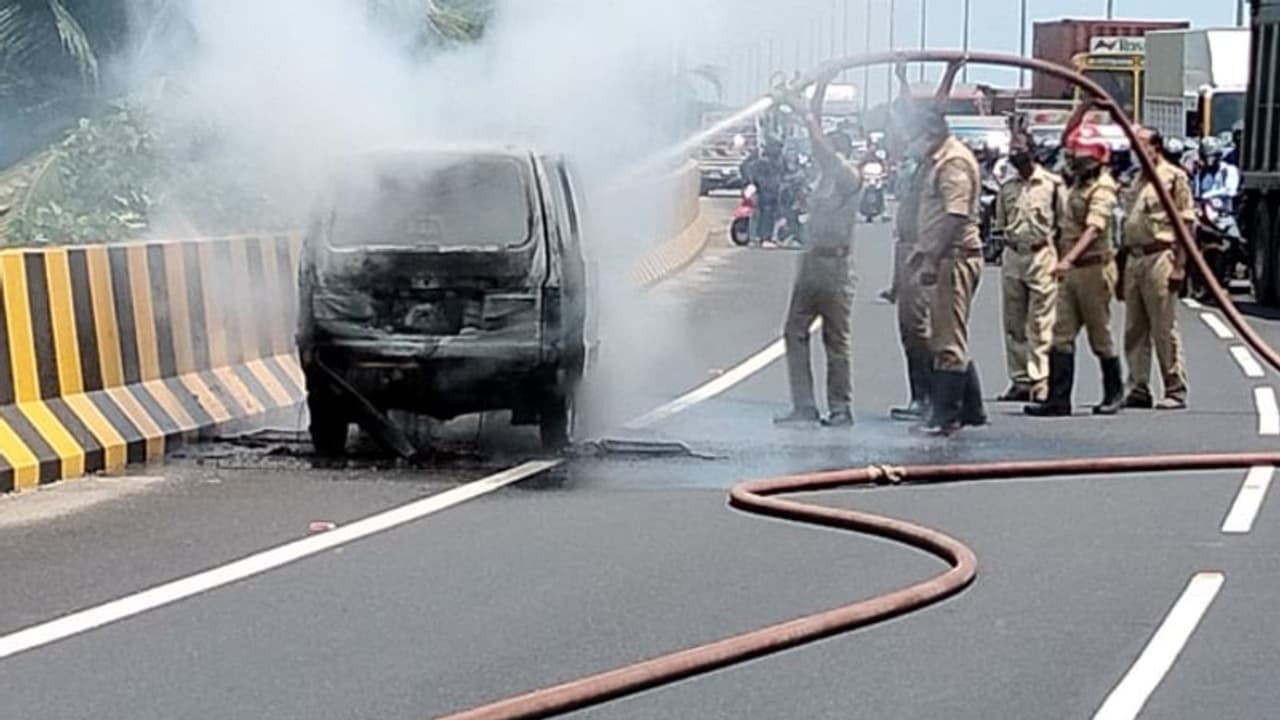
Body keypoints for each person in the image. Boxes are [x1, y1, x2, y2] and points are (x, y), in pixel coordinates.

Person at [773, 93, 863, 428]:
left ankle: (840, 407)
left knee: (835, 339)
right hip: (811, 263)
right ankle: (804, 406)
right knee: (794, 332)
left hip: (836, 267)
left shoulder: (848, 175)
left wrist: (808, 117)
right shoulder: (822, 180)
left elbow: (824, 152)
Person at [1025, 123, 1124, 417]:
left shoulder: (1102, 188)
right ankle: (1058, 399)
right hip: (1070, 271)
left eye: (1079, 159)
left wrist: (1068, 258)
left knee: (1099, 334)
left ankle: (1113, 393)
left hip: (1093, 269)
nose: (1073, 164)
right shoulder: (1077, 185)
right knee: (1060, 333)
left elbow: (1094, 229)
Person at [903, 104, 987, 435]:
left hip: (954, 257)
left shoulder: (953, 163)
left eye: (914, 136)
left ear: (931, 133)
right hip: (945, 255)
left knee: (947, 341)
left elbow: (955, 215)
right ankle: (971, 410)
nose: (911, 143)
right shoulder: (938, 160)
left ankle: (945, 416)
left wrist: (932, 259)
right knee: (947, 333)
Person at [1121, 127, 1195, 411]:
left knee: (1163, 327)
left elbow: (1186, 223)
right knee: (1134, 329)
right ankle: (1138, 386)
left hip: (1160, 256)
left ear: (1156, 147)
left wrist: (1179, 266)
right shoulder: (1136, 180)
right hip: (1135, 258)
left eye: (1142, 145)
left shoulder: (1173, 178)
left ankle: (1174, 388)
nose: (1137, 151)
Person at [996, 129, 1064, 403]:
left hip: (1041, 256)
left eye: (1020, 149)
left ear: (1032, 151)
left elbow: (1063, 224)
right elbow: (1001, 223)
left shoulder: (1052, 185)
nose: (1015, 155)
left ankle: (1040, 379)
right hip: (1013, 256)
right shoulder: (1007, 188)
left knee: (1040, 322)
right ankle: (1020, 380)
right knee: (1014, 323)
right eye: (1012, 150)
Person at [887, 133, 932, 421]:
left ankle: (927, 398)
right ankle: (922, 396)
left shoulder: (932, 172)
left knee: (919, 331)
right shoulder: (916, 172)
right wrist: (896, 283)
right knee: (910, 331)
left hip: (920, 253)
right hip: (907, 252)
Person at [1193, 137, 1241, 215]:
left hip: (1223, 213)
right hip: (1202, 213)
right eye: (1204, 156)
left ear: (1219, 155)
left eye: (1212, 156)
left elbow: (1230, 191)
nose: (1208, 159)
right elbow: (1196, 192)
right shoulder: (1200, 172)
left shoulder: (1228, 170)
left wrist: (1207, 195)